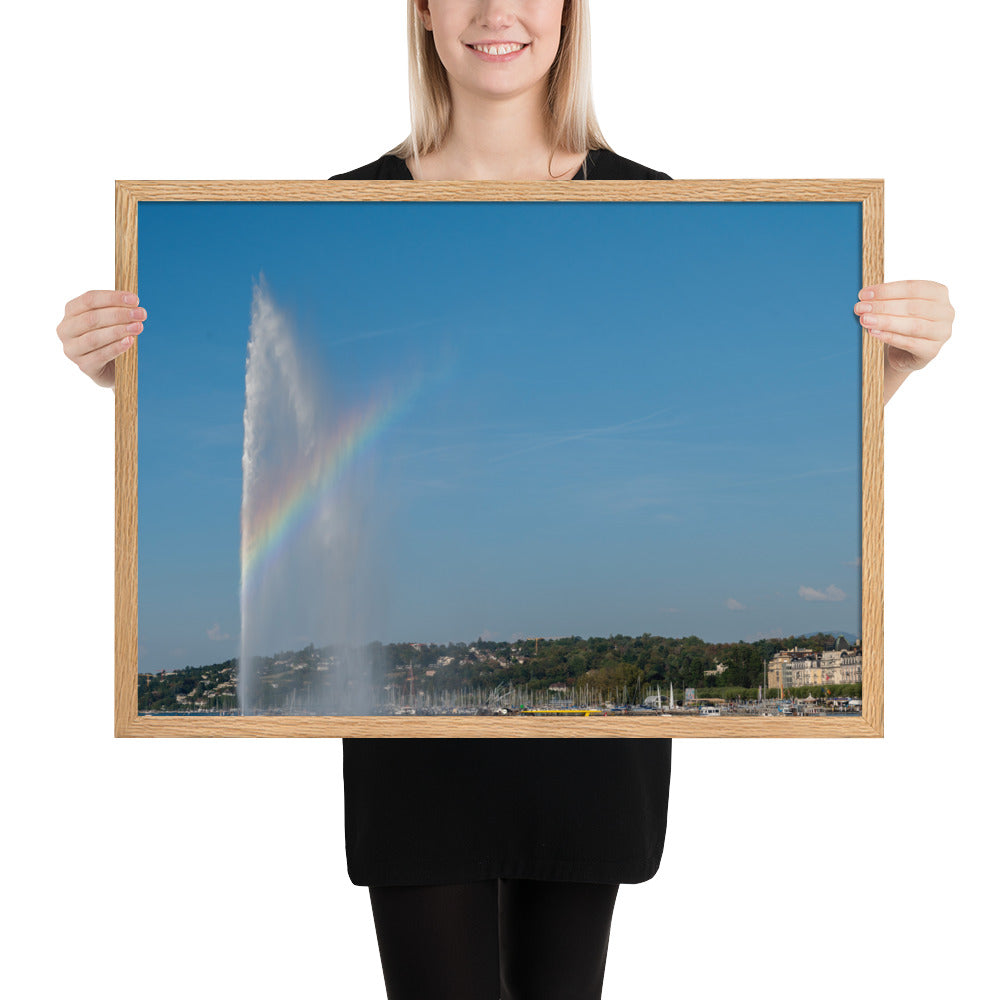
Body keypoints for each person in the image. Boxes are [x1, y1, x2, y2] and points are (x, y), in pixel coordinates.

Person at [56, 2, 954, 997]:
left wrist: (896, 367)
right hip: (413, 758)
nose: (496, 12)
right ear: (424, 13)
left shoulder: (658, 207)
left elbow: (772, 431)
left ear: (570, 13)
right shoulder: (333, 213)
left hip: (587, 763)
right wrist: (117, 376)